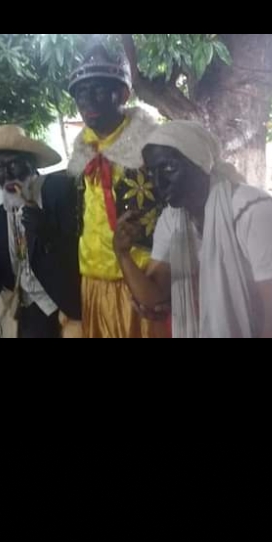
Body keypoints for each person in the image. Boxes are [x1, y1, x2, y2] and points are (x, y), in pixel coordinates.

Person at [114, 120, 272, 338]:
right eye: (151, 173)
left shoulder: (253, 212)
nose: (159, 183)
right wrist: (122, 254)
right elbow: (154, 297)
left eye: (169, 168)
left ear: (200, 163)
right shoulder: (172, 220)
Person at [67, 40, 167, 338]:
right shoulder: (81, 156)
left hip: (142, 283)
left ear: (122, 94)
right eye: (80, 93)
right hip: (93, 284)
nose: (87, 101)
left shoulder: (154, 149)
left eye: (98, 90)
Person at [0, 125, 82, 338]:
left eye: (14, 165)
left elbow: (78, 251)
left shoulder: (59, 191)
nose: (7, 175)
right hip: (20, 305)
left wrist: (47, 233)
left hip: (62, 301)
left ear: (32, 165)